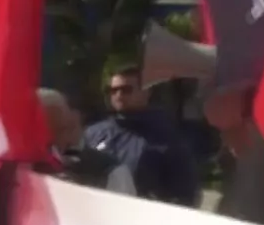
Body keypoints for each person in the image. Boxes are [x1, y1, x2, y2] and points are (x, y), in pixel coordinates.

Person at [82, 65, 202, 206]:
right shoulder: (93, 133)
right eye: (113, 90)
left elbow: (184, 194)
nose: (119, 95)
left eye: (126, 90)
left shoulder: (167, 138)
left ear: (146, 92)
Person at [37, 88, 134, 194]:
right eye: (50, 131)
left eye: (63, 129)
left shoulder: (111, 172)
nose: (62, 139)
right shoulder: (20, 169)